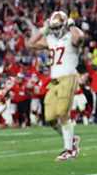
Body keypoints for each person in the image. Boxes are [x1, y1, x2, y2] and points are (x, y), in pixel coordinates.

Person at [28, 10, 84, 161]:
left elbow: (78, 38)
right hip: (54, 81)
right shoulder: (51, 39)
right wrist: (42, 30)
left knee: (62, 112)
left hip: (68, 77)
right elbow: (30, 44)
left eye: (58, 26)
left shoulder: (72, 35)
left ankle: (69, 150)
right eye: (53, 28)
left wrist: (71, 25)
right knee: (50, 118)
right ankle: (72, 140)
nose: (55, 30)